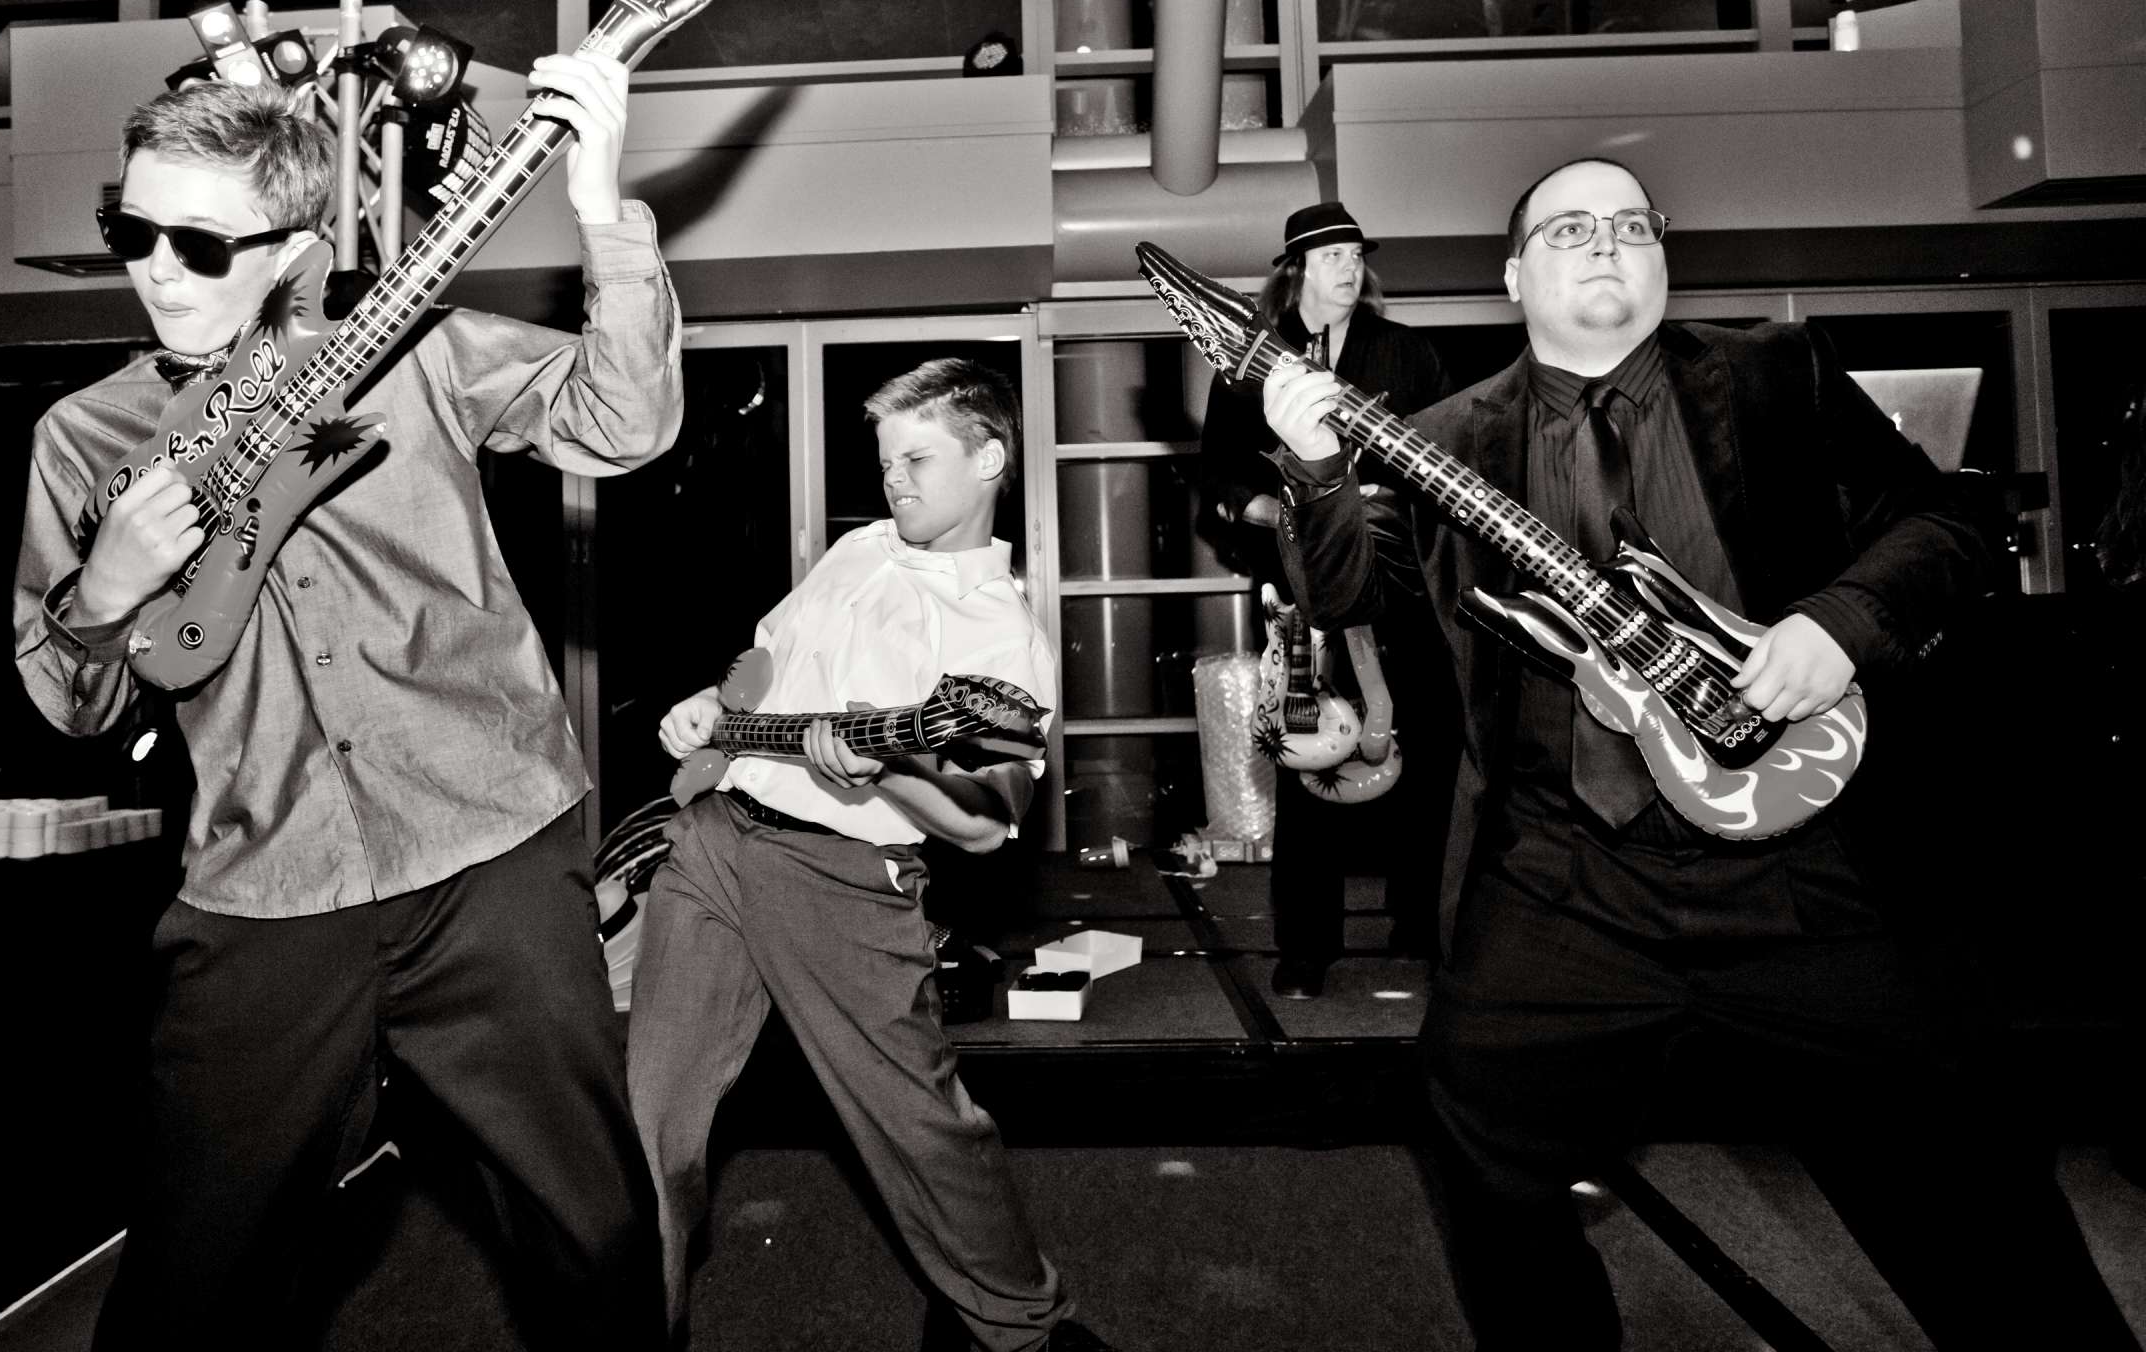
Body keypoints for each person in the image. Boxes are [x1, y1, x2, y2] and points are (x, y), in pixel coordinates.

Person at [1258, 156, 2141, 1350]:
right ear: (1515, 274)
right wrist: (1315, 468)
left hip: (1802, 859)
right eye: (1570, 228)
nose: (1608, 242)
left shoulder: (1778, 374)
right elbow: (1345, 584)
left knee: (1966, 1185)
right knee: (1480, 1145)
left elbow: (1954, 516)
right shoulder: (1441, 441)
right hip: (1565, 874)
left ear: (1664, 256)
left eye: (1633, 222)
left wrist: (1843, 623)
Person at [13, 53, 673, 1348]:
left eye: (197, 242)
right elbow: (68, 700)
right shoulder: (82, 439)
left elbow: (622, 420)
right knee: (184, 1300)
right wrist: (105, 588)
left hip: (488, 848)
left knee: (595, 1256)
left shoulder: (411, 358)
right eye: (129, 230)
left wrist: (605, 212)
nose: (153, 267)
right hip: (263, 893)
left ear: (297, 250)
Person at [629, 359, 1115, 1352]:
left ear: (989, 457)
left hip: (845, 882)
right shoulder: (858, 550)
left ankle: (1023, 1325)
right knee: (646, 1113)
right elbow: (768, 660)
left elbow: (984, 825)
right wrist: (716, 708)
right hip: (718, 841)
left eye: (918, 457)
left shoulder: (999, 636)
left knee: (922, 1129)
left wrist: (881, 768)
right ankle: (643, 1318)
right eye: (887, 458)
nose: (895, 479)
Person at [1195, 202, 1456, 995]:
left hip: (1399, 588)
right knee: (1305, 759)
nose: (1349, 268)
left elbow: (1444, 460)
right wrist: (1274, 511)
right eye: (1331, 255)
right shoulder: (1247, 365)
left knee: (1431, 756)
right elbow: (1218, 475)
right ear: (1296, 269)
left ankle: (1424, 925)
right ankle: (1306, 950)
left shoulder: (1406, 353)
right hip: (1301, 598)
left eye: (1354, 254)